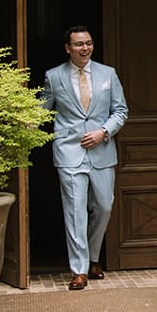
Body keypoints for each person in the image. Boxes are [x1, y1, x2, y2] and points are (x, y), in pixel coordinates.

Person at [41, 26, 128, 291]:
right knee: (75, 211)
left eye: (88, 43)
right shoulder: (54, 77)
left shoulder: (108, 74)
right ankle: (79, 270)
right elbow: (42, 111)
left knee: (104, 206)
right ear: (68, 48)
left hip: (102, 151)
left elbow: (121, 111)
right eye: (79, 44)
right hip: (69, 151)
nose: (85, 48)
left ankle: (92, 257)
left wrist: (104, 132)